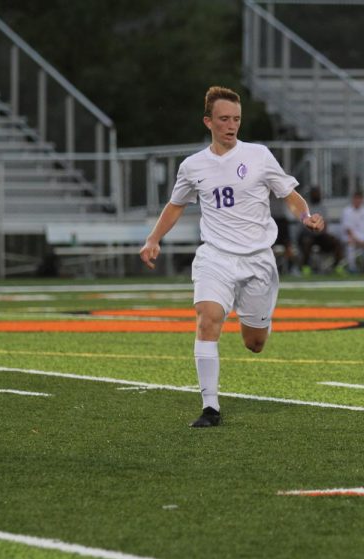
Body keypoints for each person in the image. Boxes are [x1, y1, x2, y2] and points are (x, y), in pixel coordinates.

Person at [139, 86, 324, 428]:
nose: (231, 125)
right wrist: (153, 239)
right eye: (224, 119)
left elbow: (290, 195)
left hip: (258, 260)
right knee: (207, 319)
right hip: (216, 257)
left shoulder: (259, 156)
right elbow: (175, 205)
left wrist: (305, 216)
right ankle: (210, 408)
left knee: (254, 344)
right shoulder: (193, 166)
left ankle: (256, 321)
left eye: (236, 119)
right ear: (208, 121)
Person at [298, 185, 344, 274]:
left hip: (320, 234)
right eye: (315, 193)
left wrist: (320, 229)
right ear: (311, 195)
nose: (317, 195)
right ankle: (305, 267)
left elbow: (325, 224)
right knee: (306, 242)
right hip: (308, 234)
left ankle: (337, 267)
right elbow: (303, 224)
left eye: (318, 193)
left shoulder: (323, 208)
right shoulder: (305, 207)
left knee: (336, 242)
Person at [340, 190, 364, 273]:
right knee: (350, 243)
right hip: (351, 237)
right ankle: (352, 267)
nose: (357, 201)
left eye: (359, 199)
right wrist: (359, 242)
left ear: (362, 200)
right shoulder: (347, 211)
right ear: (353, 199)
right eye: (356, 199)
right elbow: (348, 230)